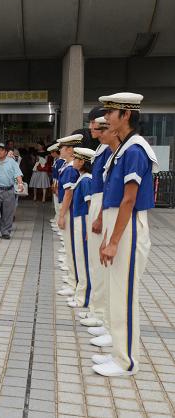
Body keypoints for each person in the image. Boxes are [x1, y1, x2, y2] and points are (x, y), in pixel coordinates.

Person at [93, 92, 158, 377]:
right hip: (117, 223)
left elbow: (129, 200)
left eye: (111, 112)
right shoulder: (124, 149)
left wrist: (114, 241)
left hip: (128, 226)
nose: (106, 118)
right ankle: (119, 352)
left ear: (126, 115)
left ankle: (127, 361)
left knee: (125, 293)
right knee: (117, 292)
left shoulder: (134, 150)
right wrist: (108, 237)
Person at [83, 117, 117, 342]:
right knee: (97, 265)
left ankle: (106, 320)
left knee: (108, 272)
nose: (93, 129)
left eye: (96, 125)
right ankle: (100, 314)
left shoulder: (125, 150)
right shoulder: (105, 149)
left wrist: (100, 216)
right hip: (100, 203)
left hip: (107, 207)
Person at [67, 148, 94, 309]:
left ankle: (84, 298)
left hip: (84, 220)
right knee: (80, 258)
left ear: (82, 161)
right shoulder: (83, 178)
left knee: (84, 260)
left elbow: (91, 205)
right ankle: (81, 294)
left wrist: (90, 229)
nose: (73, 161)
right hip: (80, 219)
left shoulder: (86, 180)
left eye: (76, 158)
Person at [55, 135, 83, 297]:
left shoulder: (71, 169)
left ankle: (74, 284)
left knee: (73, 247)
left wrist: (61, 214)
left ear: (70, 150)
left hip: (71, 211)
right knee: (70, 246)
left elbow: (68, 194)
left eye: (62, 148)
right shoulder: (68, 166)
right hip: (69, 210)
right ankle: (73, 281)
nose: (60, 150)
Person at [0, 143, 24, 239]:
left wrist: (20, 184)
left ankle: (6, 232)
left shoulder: (12, 162)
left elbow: (17, 174)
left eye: (2, 150)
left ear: (6, 152)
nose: (0, 152)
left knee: (8, 212)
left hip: (9, 190)